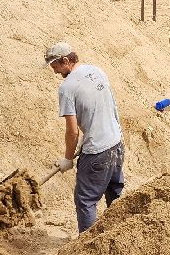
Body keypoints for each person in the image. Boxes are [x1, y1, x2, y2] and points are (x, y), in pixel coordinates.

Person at [44, 42, 125, 232]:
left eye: (54, 66)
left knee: (86, 200)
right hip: (117, 144)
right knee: (115, 194)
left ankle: (87, 250)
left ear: (65, 61)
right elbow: (112, 108)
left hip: (97, 152)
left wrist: (67, 158)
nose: (54, 71)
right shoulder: (98, 71)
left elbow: (72, 131)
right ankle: (120, 236)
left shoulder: (67, 88)